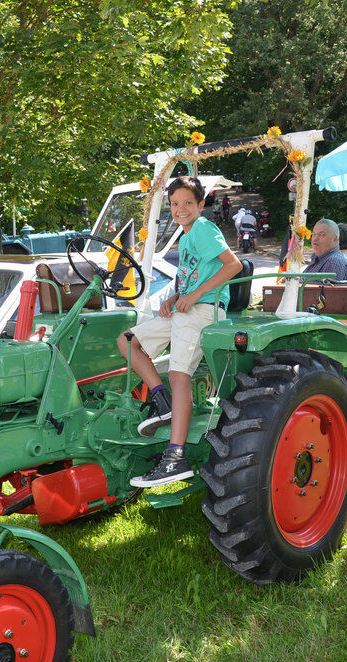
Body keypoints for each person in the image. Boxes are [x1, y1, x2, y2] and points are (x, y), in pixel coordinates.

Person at [117, 176, 242, 487]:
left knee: (179, 373)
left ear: (200, 205)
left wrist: (194, 296)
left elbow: (233, 265)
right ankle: (162, 401)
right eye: (175, 204)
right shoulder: (185, 236)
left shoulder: (203, 228)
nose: (180, 209)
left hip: (205, 309)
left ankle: (176, 457)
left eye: (188, 203)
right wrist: (174, 296)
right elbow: (189, 278)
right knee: (127, 340)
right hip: (185, 308)